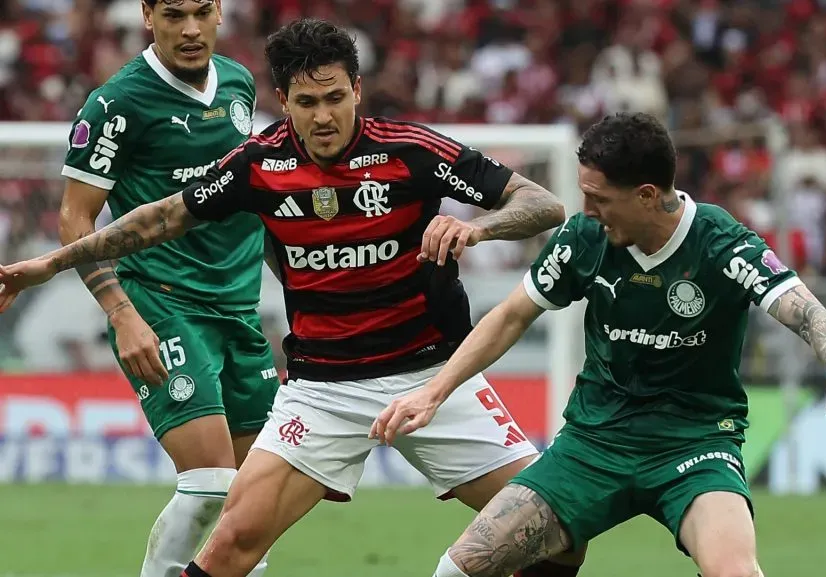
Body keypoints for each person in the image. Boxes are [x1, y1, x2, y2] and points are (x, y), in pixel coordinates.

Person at [0, 18, 586, 577]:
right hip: (322, 390)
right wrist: (51, 263)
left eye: (335, 97)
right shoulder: (261, 165)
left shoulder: (411, 152)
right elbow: (164, 217)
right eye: (307, 103)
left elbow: (540, 202)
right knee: (232, 544)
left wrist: (478, 228)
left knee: (556, 530)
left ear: (357, 89)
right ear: (283, 101)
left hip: (432, 379)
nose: (324, 116)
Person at [368, 112, 826, 577]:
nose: (587, 209)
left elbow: (809, 313)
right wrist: (432, 393)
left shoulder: (719, 241)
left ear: (646, 194)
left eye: (598, 198)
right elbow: (509, 318)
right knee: (460, 567)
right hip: (594, 444)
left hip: (695, 444)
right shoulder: (584, 238)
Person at [57, 1, 275, 576]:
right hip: (162, 303)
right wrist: (123, 315)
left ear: (220, 12)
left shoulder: (237, 83)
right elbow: (75, 221)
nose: (190, 28)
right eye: (174, 13)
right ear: (148, 15)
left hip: (239, 309)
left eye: (202, 11)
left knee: (254, 503)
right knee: (209, 486)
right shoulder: (116, 104)